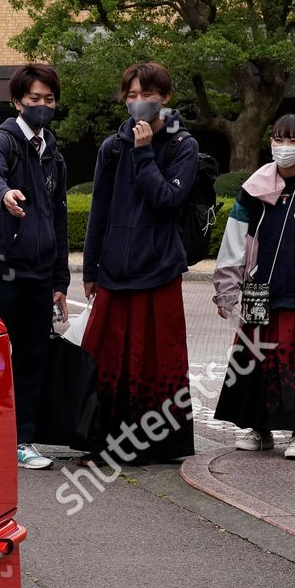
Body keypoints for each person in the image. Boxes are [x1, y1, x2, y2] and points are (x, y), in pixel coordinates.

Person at [80, 62, 200, 466]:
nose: (137, 103)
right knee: (107, 358)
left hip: (160, 269)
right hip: (114, 270)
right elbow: (99, 209)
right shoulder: (111, 147)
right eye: (130, 96)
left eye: (146, 95)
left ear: (164, 98)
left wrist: (145, 152)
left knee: (158, 358)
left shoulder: (184, 146)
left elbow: (168, 200)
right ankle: (103, 445)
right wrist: (91, 269)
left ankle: (161, 446)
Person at [211, 114, 295, 460]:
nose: (284, 146)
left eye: (292, 140)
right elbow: (234, 240)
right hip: (258, 292)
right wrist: (227, 289)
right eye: (278, 138)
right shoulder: (252, 189)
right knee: (255, 361)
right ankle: (259, 429)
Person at [0, 63, 70, 470]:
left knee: (32, 357)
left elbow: (59, 218)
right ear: (18, 102)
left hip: (38, 273)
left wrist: (60, 278)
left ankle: (22, 440)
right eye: (35, 100)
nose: (43, 106)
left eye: (49, 100)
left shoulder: (53, 153)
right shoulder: (4, 139)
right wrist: (4, 194)